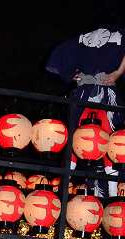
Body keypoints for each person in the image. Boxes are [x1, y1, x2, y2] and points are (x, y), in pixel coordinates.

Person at [46, 26, 125, 196]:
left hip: (105, 91)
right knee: (78, 136)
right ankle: (65, 189)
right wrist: (72, 74)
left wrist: (118, 73)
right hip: (85, 92)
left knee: (108, 138)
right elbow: (64, 53)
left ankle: (111, 194)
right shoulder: (83, 37)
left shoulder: (118, 32)